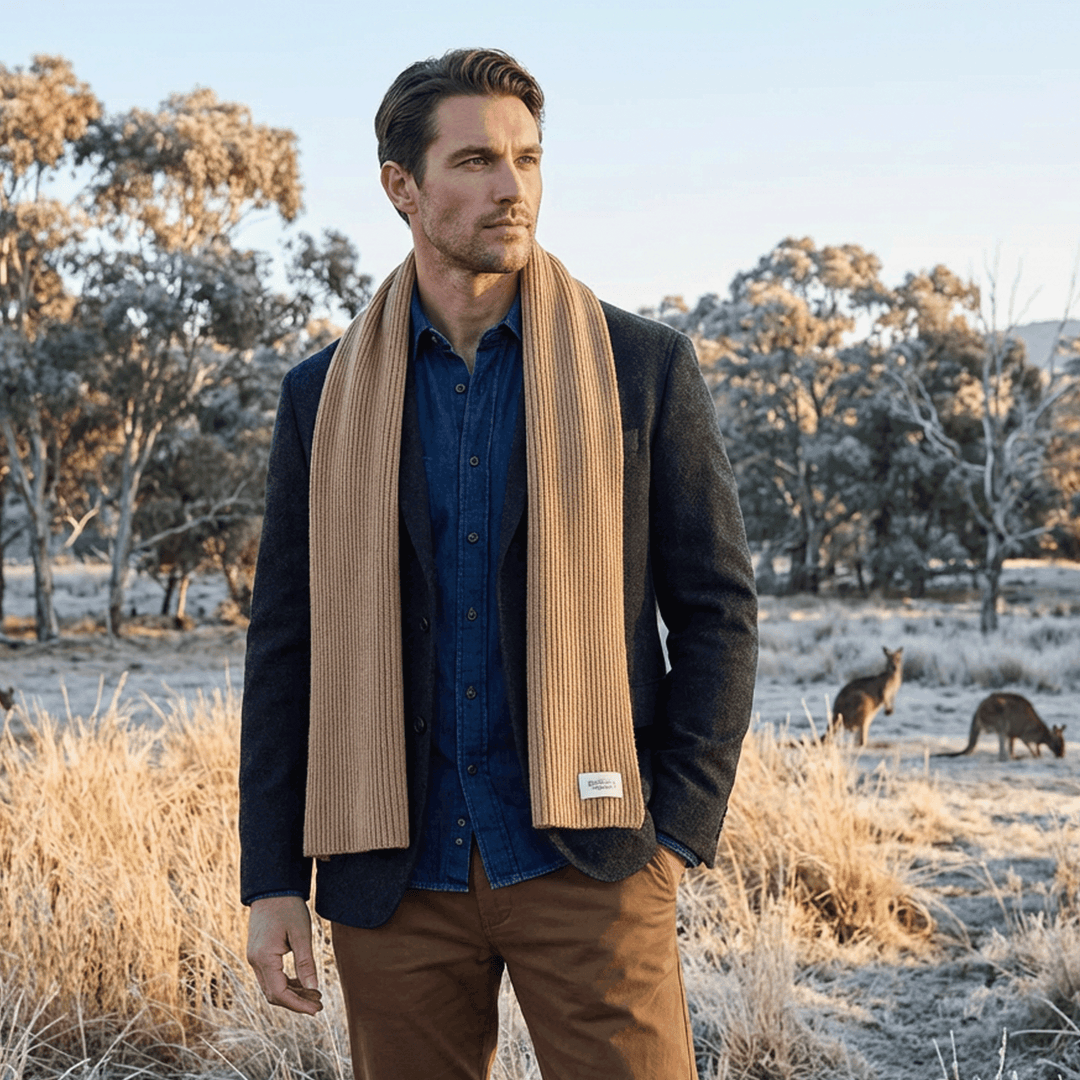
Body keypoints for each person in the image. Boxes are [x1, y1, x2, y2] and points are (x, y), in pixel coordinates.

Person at [240, 47, 758, 1080]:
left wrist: (675, 833)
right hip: (392, 871)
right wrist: (272, 879)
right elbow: (285, 642)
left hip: (591, 859)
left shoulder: (639, 366)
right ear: (402, 186)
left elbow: (716, 610)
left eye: (527, 157)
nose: (511, 186)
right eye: (476, 159)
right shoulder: (322, 396)